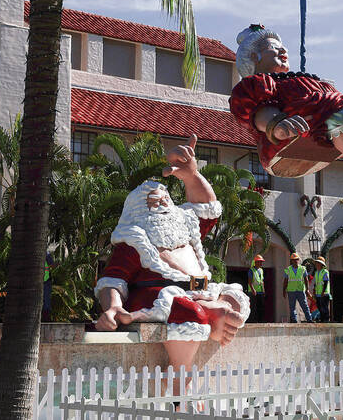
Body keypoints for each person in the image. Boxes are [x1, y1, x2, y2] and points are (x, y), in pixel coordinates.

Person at [93, 135, 250, 393]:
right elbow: (113, 279)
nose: (163, 205)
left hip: (197, 287)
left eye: (165, 200)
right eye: (154, 202)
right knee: (192, 314)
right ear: (139, 211)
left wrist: (191, 175)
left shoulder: (184, 225)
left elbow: (207, 208)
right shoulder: (134, 240)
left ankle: (213, 309)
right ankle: (179, 378)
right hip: (159, 296)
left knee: (233, 299)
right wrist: (112, 308)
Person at [229, 25, 343, 187]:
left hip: (325, 115)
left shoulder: (303, 79)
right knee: (337, 106)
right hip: (290, 130)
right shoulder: (258, 83)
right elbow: (257, 109)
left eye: (283, 47)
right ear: (255, 56)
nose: (283, 50)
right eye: (274, 48)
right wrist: (275, 124)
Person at [283, 253, 312, 323]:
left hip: (300, 290)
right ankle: (294, 320)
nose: (295, 261)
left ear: (298, 260)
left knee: (304, 305)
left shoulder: (303, 269)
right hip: (291, 290)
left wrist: (307, 289)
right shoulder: (288, 269)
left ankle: (309, 319)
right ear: (291, 261)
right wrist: (284, 291)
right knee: (292, 307)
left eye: (296, 259)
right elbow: (285, 281)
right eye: (293, 260)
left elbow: (306, 279)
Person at [312, 256, 332, 323]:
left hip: (324, 293)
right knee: (320, 307)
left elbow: (325, 282)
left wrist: (323, 292)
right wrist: (314, 292)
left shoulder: (325, 272)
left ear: (321, 264)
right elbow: (315, 283)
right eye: (316, 263)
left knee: (324, 308)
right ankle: (322, 320)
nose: (316, 264)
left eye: (318, 263)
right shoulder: (316, 272)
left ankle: (326, 320)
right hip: (318, 293)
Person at [247, 254, 266, 323]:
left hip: (260, 292)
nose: (261, 263)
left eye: (261, 262)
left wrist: (263, 290)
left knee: (260, 307)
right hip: (253, 292)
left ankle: (260, 321)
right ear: (256, 262)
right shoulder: (251, 270)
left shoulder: (261, 270)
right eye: (260, 262)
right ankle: (252, 321)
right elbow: (249, 281)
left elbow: (262, 281)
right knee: (253, 307)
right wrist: (253, 290)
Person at [41, 251, 54, 322]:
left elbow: (52, 264)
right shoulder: (46, 253)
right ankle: (45, 317)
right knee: (46, 300)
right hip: (44, 281)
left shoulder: (46, 253)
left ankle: (46, 317)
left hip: (45, 280)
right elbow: (52, 264)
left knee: (46, 301)